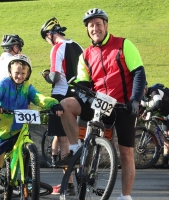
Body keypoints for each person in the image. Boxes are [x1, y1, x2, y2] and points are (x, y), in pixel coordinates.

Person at [55, 8, 146, 200]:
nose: (95, 28)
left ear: (106, 25)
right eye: (91, 26)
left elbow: (139, 73)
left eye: (98, 24)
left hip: (123, 105)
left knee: (126, 153)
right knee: (66, 104)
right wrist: (88, 98)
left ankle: (125, 196)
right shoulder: (85, 55)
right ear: (87, 30)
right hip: (99, 104)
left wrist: (135, 100)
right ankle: (74, 149)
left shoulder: (123, 45)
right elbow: (82, 84)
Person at [0, 54, 64, 200]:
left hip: (21, 127)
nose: (19, 76)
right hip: (5, 128)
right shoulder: (4, 83)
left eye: (23, 73)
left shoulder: (27, 87)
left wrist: (53, 104)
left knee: (27, 147)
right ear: (10, 72)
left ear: (27, 74)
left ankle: (27, 175)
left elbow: (39, 97)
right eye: (16, 73)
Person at [40, 17, 83, 195]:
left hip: (61, 94)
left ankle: (69, 184)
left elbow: (56, 77)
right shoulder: (78, 45)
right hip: (79, 95)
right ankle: (79, 180)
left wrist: (46, 75)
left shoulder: (57, 48)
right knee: (76, 139)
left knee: (64, 139)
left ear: (50, 35)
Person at [142, 82, 169, 169]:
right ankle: (165, 162)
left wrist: (149, 111)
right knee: (165, 137)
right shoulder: (143, 97)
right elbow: (142, 107)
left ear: (145, 88)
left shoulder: (154, 92)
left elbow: (158, 104)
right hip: (165, 114)